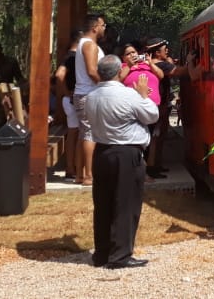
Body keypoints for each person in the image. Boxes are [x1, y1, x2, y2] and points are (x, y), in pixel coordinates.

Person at [85, 54, 159, 269]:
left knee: (103, 205)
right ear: (119, 72)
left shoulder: (91, 96)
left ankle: (102, 253)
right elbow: (151, 115)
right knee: (125, 205)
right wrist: (143, 96)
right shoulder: (128, 95)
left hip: (102, 152)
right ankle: (120, 256)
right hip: (126, 153)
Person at [120, 43, 164, 179]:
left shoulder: (147, 65)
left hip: (151, 105)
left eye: (134, 52)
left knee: (152, 138)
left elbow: (161, 75)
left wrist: (150, 64)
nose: (132, 55)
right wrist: (129, 66)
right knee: (137, 140)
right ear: (123, 57)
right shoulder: (122, 67)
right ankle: (139, 171)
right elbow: (119, 79)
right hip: (133, 108)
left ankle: (149, 169)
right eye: (128, 53)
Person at [74, 14, 107, 186]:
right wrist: (108, 84)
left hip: (83, 94)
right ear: (95, 27)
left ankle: (80, 174)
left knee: (84, 134)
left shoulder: (82, 44)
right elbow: (92, 72)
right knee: (90, 134)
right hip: (88, 94)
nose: (104, 28)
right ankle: (88, 175)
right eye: (103, 25)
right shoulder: (90, 45)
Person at [147, 38, 187, 178]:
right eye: (165, 49)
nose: (168, 51)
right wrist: (189, 60)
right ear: (157, 53)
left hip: (157, 105)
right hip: (159, 106)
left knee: (158, 136)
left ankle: (156, 165)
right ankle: (152, 167)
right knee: (156, 137)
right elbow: (181, 71)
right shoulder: (161, 65)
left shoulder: (154, 64)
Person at [54, 30, 82, 180]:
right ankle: (77, 169)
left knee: (72, 133)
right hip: (74, 98)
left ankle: (70, 168)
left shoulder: (67, 56)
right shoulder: (73, 57)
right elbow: (59, 75)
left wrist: (65, 93)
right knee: (80, 134)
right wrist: (67, 92)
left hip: (69, 99)